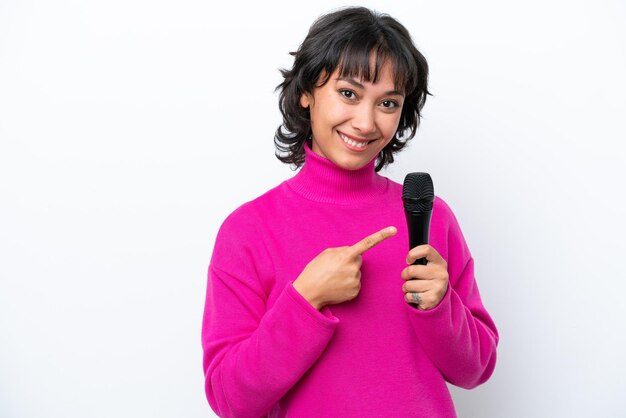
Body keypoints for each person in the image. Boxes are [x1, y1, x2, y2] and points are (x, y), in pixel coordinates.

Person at [201, 6, 499, 417]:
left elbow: (476, 370)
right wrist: (306, 300)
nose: (365, 122)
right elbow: (231, 400)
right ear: (306, 92)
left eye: (388, 103)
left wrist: (439, 305)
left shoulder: (431, 216)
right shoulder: (248, 230)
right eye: (348, 93)